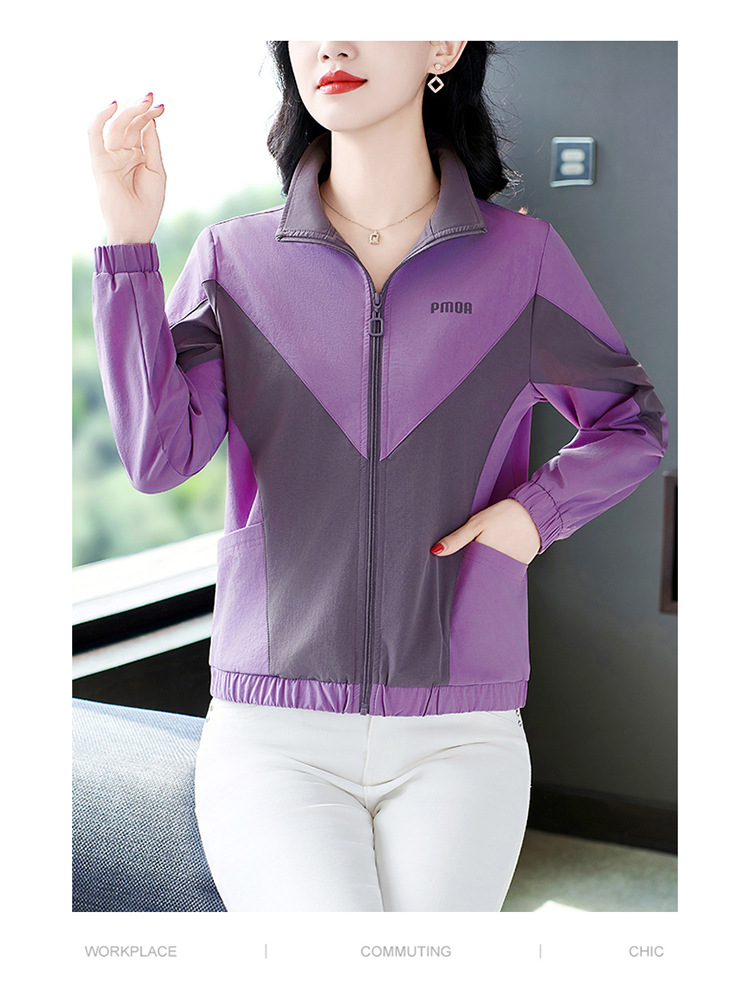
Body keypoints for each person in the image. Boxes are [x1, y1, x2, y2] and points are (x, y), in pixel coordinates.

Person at [88, 41, 667, 912]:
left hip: (461, 734)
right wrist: (128, 244)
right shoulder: (233, 262)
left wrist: (534, 514)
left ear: (442, 44)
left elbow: (633, 421)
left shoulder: (524, 260)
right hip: (274, 731)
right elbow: (157, 454)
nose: (333, 39)